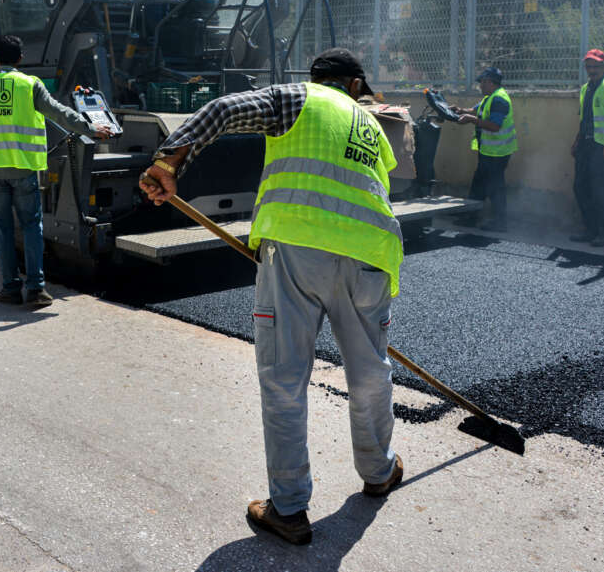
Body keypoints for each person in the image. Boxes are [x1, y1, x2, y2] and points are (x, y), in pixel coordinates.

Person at [139, 47, 406, 547]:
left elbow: (220, 110)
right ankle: (379, 471)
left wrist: (168, 160)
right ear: (353, 85)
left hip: (297, 249)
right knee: (370, 371)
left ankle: (288, 509)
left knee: (285, 378)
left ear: (320, 79)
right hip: (372, 254)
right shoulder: (371, 127)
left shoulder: (298, 98)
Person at [0, 35, 113, 306]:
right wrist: (90, 129)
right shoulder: (30, 84)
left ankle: (9, 288)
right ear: (20, 58)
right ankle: (35, 289)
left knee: (2, 228)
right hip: (24, 168)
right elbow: (58, 113)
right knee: (32, 226)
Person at [571, 48, 604, 247]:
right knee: (581, 187)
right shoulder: (586, 88)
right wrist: (577, 140)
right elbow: (585, 118)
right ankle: (590, 229)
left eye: (596, 66)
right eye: (589, 66)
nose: (592, 70)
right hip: (586, 145)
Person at [451, 66, 517, 231]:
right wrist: (460, 110)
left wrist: (471, 120)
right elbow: (475, 110)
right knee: (479, 185)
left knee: (495, 188)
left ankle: (500, 223)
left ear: (490, 82)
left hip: (498, 153)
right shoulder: (490, 97)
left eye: (482, 82)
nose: (480, 85)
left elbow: (494, 126)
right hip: (488, 151)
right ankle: (471, 217)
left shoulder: (499, 99)